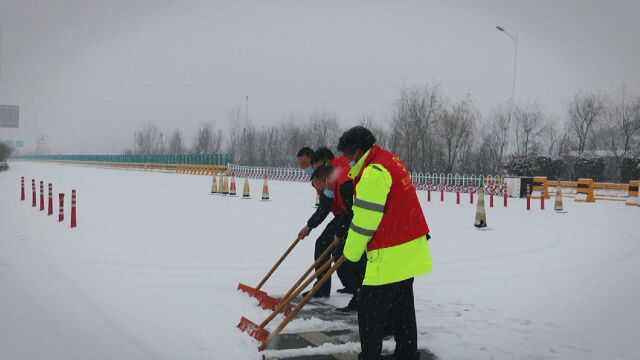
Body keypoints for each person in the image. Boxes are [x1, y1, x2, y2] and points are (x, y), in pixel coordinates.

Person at [338, 126, 432, 360]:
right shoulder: (390, 160)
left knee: (368, 310)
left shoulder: (373, 172)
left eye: (349, 156)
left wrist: (350, 253)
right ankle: (407, 353)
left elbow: (365, 222)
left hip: (390, 251)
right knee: (402, 308)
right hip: (410, 247)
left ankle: (370, 357)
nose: (348, 162)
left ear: (358, 152)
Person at [296, 147, 352, 298]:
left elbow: (327, 207)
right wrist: (309, 226)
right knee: (323, 245)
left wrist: (339, 232)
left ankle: (354, 287)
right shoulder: (322, 177)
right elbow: (325, 206)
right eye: (301, 165)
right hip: (342, 215)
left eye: (308, 163)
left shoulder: (338, 173)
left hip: (350, 215)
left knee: (340, 250)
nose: (308, 168)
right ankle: (325, 287)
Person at [309, 165, 365, 313]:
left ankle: (359, 296)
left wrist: (340, 234)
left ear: (325, 179)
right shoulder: (335, 188)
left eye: (320, 186)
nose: (320, 192)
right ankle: (356, 293)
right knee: (336, 250)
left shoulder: (344, 186)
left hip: (361, 224)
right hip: (349, 222)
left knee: (353, 259)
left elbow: (351, 212)